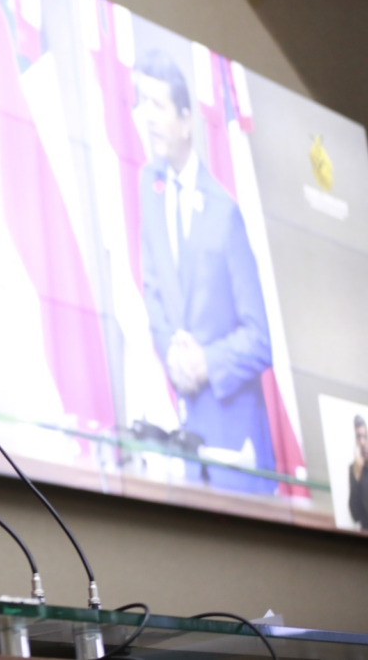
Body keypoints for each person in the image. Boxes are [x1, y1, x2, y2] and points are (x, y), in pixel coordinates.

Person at [135, 50, 276, 494]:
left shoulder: (225, 213)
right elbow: (153, 293)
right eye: (142, 102)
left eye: (157, 105)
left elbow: (260, 339)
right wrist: (173, 357)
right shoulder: (148, 186)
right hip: (187, 442)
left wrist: (205, 364)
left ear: (185, 119)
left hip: (237, 445)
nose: (147, 116)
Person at [349, 415, 368, 529]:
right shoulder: (354, 468)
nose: (363, 442)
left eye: (365, 436)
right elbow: (355, 515)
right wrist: (357, 477)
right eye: (359, 437)